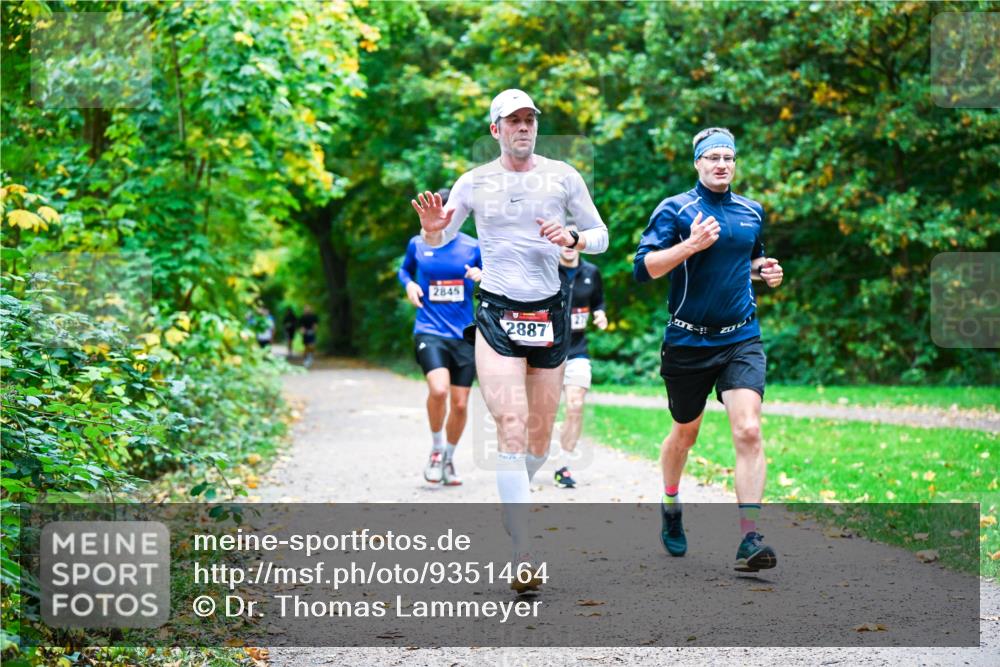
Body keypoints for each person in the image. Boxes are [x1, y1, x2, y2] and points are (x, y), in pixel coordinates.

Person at [411, 89, 608, 591]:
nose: (523, 127)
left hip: (550, 312)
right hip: (498, 311)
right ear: (495, 129)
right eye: (513, 120)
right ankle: (523, 550)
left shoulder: (563, 176)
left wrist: (574, 239)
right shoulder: (474, 181)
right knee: (512, 426)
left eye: (529, 119)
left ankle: (513, 490)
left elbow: (601, 235)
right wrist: (432, 232)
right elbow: (441, 237)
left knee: (538, 439)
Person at [633, 127, 784, 572]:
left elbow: (746, 261)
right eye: (713, 157)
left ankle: (749, 538)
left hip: (740, 337)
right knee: (685, 433)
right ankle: (671, 502)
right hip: (688, 341)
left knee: (749, 430)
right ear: (697, 162)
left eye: (728, 158)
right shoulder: (675, 209)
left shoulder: (750, 211)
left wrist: (765, 270)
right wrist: (691, 245)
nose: (722, 165)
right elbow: (644, 268)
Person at [399, 188, 483, 487]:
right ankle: (436, 450)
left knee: (460, 404)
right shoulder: (418, 244)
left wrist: (482, 277)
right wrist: (409, 285)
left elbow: (496, 279)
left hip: (464, 334)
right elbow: (405, 270)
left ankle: (448, 457)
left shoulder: (474, 247)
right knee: (438, 390)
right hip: (430, 329)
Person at [553, 225, 607, 488]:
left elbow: (598, 301)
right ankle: (532, 454)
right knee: (540, 410)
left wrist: (600, 313)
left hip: (577, 351)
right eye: (564, 239)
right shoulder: (547, 269)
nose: (568, 244)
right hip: (546, 351)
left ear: (580, 243)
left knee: (575, 405)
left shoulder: (591, 272)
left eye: (573, 239)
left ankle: (562, 466)